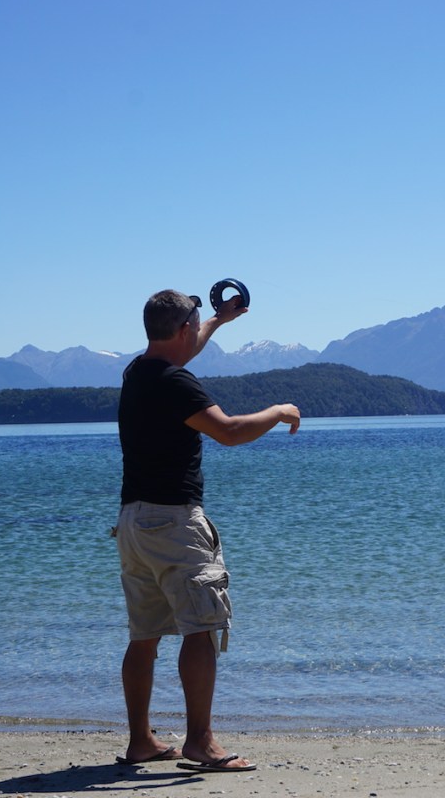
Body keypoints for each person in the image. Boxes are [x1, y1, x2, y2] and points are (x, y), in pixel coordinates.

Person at [113, 289, 300, 772]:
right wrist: (279, 411)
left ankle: (141, 742)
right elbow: (230, 432)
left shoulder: (137, 372)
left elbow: (182, 347)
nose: (197, 333)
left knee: (144, 636)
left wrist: (217, 320)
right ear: (181, 330)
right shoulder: (177, 383)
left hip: (133, 521)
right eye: (194, 326)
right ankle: (200, 742)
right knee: (201, 630)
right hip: (174, 521)